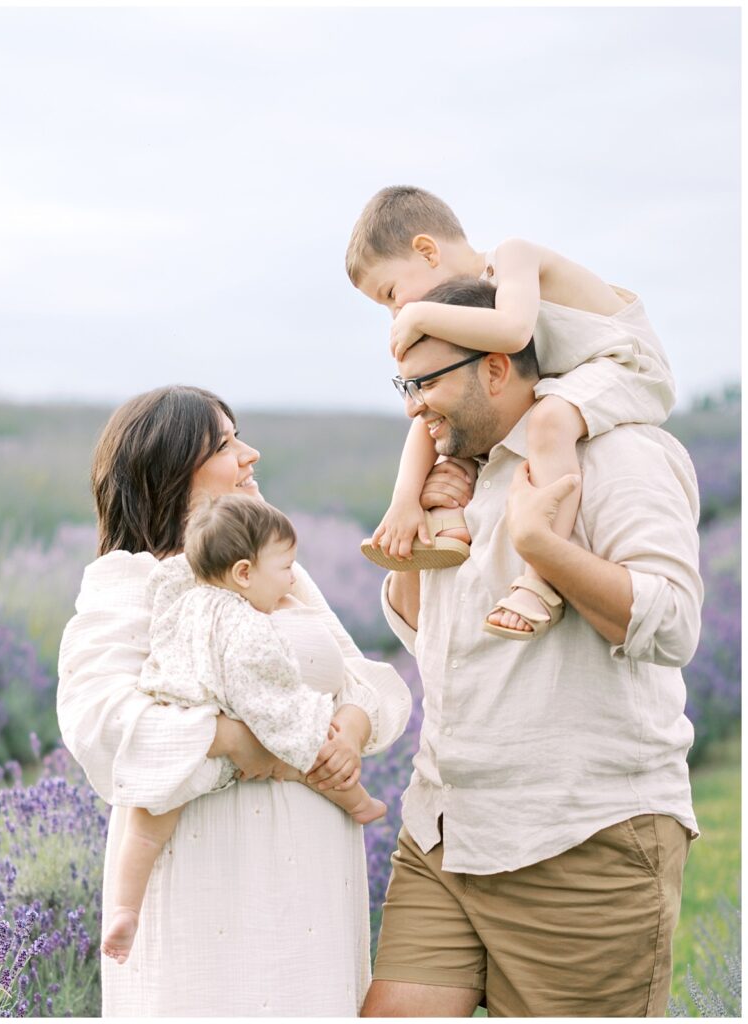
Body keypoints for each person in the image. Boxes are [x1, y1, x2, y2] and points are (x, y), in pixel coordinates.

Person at [361, 278, 701, 1018]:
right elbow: (432, 640)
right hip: (443, 832)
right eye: (403, 385)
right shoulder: (457, 469)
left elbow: (672, 623)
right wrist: (423, 525)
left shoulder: (620, 455)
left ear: (494, 367)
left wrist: (541, 544)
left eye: (426, 383)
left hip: (579, 836)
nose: (412, 406)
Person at [57, 384, 412, 1017]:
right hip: (211, 885)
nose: (251, 453)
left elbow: (363, 680)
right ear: (169, 469)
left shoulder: (275, 571)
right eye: (225, 444)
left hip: (313, 892)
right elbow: (103, 727)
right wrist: (253, 748)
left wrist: (351, 731)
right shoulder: (130, 581)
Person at [346, 185, 676, 641]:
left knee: (549, 421)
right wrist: (404, 500)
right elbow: (431, 405)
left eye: (391, 294)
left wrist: (420, 316)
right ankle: (442, 527)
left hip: (628, 367)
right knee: (451, 416)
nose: (395, 313)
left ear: (426, 251)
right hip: (573, 377)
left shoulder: (511, 257)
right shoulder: (474, 300)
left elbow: (514, 332)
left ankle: (542, 575)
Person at [101, 493, 386, 966]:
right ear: (244, 574)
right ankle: (359, 802)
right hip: (217, 744)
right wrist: (303, 728)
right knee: (306, 759)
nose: (293, 579)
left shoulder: (182, 598)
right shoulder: (249, 627)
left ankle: (124, 910)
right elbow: (265, 699)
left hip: (176, 736)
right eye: (287, 568)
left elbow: (170, 581)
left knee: (145, 832)